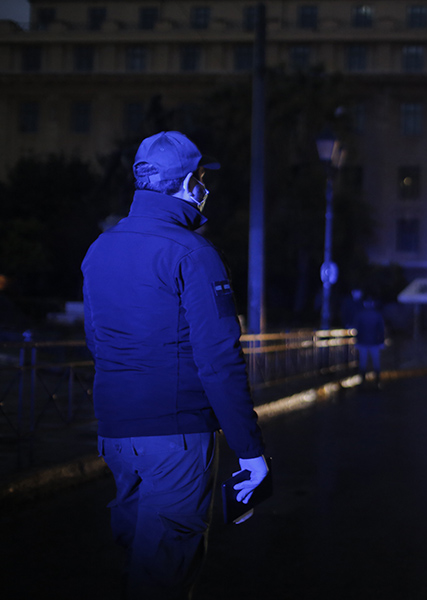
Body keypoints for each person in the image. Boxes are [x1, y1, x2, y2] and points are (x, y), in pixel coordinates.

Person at [81, 131, 268, 599]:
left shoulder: (100, 248)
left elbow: (96, 340)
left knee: (136, 560)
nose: (206, 187)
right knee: (164, 573)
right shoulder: (194, 254)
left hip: (116, 433)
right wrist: (250, 450)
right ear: (187, 182)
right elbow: (219, 359)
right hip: (176, 436)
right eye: (202, 177)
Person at [353, 297, 386, 385]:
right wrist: (381, 342)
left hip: (363, 342)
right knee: (376, 361)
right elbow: (381, 330)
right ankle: (377, 379)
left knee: (363, 361)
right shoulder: (377, 315)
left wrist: (357, 341)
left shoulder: (360, 315)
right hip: (374, 342)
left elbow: (357, 329)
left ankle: (362, 379)